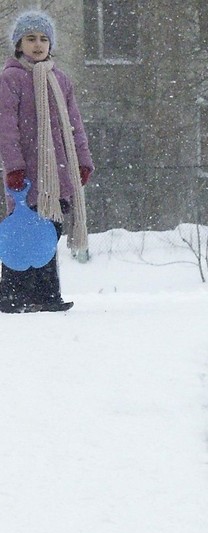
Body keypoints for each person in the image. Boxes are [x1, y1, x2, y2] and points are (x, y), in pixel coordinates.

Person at [0, 9, 93, 314]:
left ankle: (45, 294)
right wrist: (14, 167)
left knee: (49, 231)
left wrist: (82, 161)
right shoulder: (11, 78)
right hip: (25, 174)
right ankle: (13, 294)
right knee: (22, 231)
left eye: (43, 38)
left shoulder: (60, 80)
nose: (37, 44)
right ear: (18, 44)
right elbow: (6, 127)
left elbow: (74, 126)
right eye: (30, 38)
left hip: (58, 173)